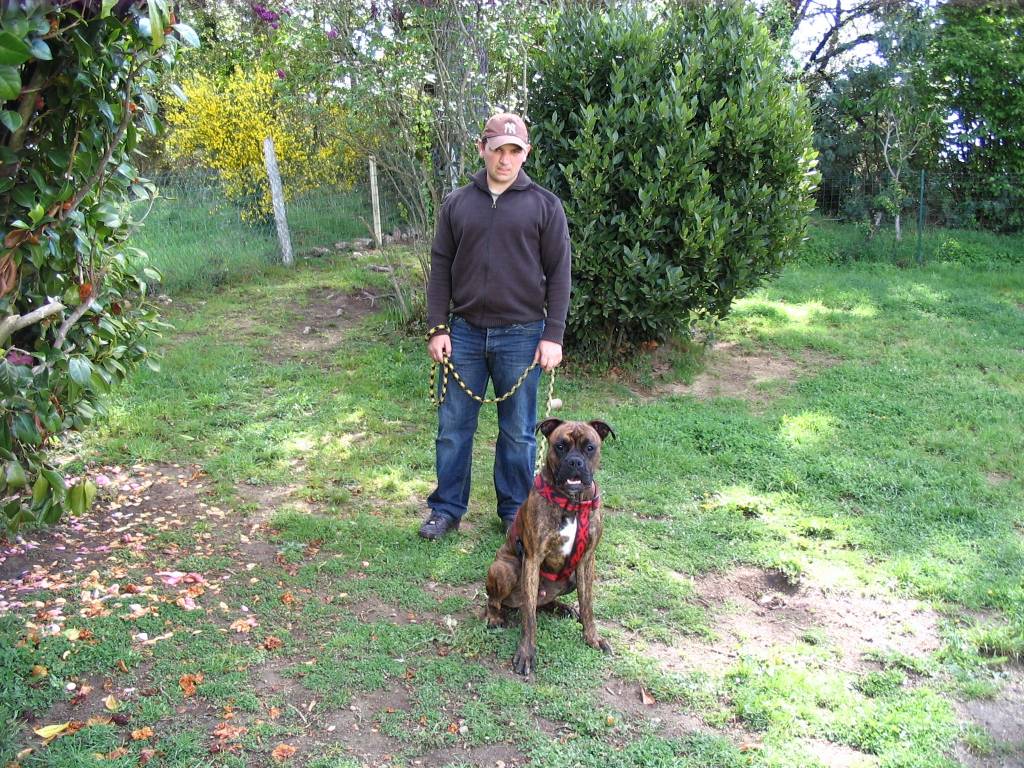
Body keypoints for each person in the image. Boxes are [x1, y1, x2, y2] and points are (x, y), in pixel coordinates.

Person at [419, 112, 571, 541]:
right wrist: (438, 327)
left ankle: (515, 514)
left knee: (519, 434)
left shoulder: (545, 206)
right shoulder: (457, 204)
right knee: (453, 431)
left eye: (514, 151)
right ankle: (446, 510)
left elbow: (560, 273)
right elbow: (441, 266)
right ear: (481, 148)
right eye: (497, 149)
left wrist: (553, 335)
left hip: (522, 335)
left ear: (526, 153)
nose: (505, 159)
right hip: (464, 334)